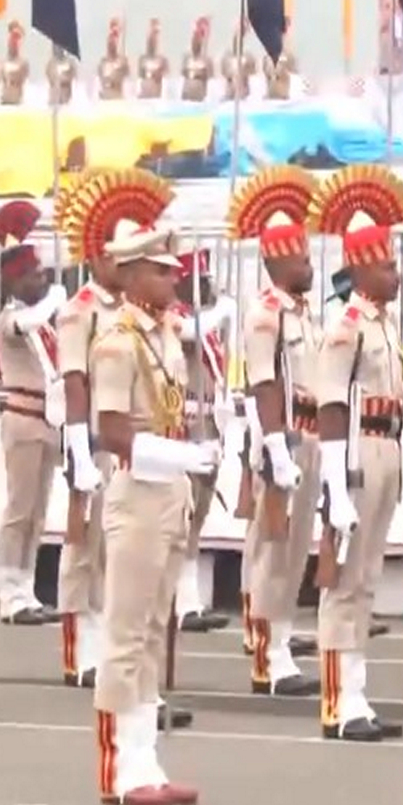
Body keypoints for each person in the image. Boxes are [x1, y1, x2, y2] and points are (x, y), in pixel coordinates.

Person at [86, 169, 213, 805]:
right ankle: (119, 770)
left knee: (156, 634)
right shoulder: (116, 342)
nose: (174, 278)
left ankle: (147, 762)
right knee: (127, 633)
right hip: (137, 496)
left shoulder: (163, 335)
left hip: (168, 496)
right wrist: (189, 453)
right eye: (162, 271)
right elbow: (113, 432)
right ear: (132, 275)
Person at [308, 164, 403, 742]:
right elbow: (330, 407)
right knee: (343, 580)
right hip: (354, 455)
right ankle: (338, 702)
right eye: (389, 262)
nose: (397, 273)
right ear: (366, 264)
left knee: (366, 577)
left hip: (386, 447)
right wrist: (333, 484)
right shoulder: (345, 326)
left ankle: (357, 691)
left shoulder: (383, 324)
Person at [230, 166, 323, 697]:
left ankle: (281, 638)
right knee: (272, 552)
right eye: (303, 257)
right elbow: (265, 386)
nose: (311, 265)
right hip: (282, 441)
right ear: (278, 260)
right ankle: (269, 656)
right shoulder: (266, 314)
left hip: (308, 438)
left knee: (293, 553)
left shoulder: (303, 313)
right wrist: (275, 450)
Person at [54, 169, 118, 690]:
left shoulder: (131, 311)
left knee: (113, 549)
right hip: (89, 439)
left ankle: (106, 640)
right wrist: (77, 449)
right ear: (96, 257)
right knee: (83, 548)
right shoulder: (80, 312)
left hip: (121, 442)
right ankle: (79, 649)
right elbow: (74, 378)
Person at [0, 200, 66, 625]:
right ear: (15, 281)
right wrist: (53, 297)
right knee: (19, 509)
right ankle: (9, 591)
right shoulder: (11, 318)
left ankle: (27, 586)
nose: (43, 279)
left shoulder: (45, 318)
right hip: (22, 418)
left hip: (47, 420)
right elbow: (30, 322)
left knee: (38, 511)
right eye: (34, 274)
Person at [171, 249, 235, 634]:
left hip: (209, 421)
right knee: (183, 514)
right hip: (187, 422)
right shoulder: (175, 316)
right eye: (200, 278)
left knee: (198, 519)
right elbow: (190, 332)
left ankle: (190, 599)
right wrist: (221, 310)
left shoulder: (209, 322)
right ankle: (179, 601)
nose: (208, 284)